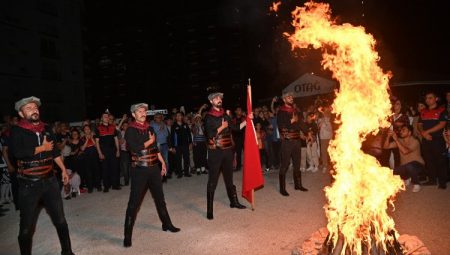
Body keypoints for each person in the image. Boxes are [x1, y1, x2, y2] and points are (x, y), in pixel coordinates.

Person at [10, 96, 74, 255]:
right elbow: (17, 153)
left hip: (50, 181)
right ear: (21, 113)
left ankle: (67, 252)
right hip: (28, 184)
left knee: (60, 220)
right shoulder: (17, 130)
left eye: (35, 107)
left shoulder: (47, 128)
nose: (33, 110)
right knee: (26, 228)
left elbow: (55, 152)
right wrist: (41, 148)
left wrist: (64, 170)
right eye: (28, 108)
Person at [123, 103, 180, 248]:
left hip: (154, 168)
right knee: (134, 203)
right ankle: (127, 236)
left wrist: (163, 163)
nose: (143, 113)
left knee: (160, 199)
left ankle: (167, 224)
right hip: (139, 170)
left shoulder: (149, 127)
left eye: (144, 111)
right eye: (139, 111)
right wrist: (150, 141)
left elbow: (155, 148)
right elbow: (134, 148)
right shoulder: (130, 130)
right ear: (133, 115)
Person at [204, 92, 247, 220]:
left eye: (220, 98)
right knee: (212, 181)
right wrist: (221, 127)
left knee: (229, 179)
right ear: (211, 101)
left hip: (228, 151)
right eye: (216, 98)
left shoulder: (225, 115)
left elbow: (236, 128)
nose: (219, 100)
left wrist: (247, 120)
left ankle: (233, 202)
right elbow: (209, 134)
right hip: (215, 152)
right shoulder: (208, 117)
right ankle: (209, 210)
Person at [277, 92, 308, 196]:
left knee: (297, 164)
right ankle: (282, 189)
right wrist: (291, 120)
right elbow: (281, 125)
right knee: (285, 165)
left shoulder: (295, 111)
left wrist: (307, 133)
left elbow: (301, 124)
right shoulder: (281, 111)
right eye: (289, 97)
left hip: (297, 141)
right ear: (284, 99)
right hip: (287, 141)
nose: (291, 98)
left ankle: (298, 185)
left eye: (292, 97)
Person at [418, 92, 448, 189]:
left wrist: (427, 132)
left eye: (430, 98)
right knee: (429, 160)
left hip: (438, 140)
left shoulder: (442, 110)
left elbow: (442, 124)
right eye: (426, 98)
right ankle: (432, 180)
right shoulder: (423, 111)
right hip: (426, 140)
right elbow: (419, 124)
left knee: (440, 161)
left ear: (436, 99)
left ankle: (442, 182)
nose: (427, 100)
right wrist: (423, 133)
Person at [383, 125, 425, 192]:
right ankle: (407, 177)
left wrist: (396, 140)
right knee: (392, 172)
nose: (401, 132)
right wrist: (388, 136)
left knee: (410, 166)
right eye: (401, 130)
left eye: (403, 130)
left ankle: (417, 184)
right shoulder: (400, 140)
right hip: (405, 166)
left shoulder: (415, 141)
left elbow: (405, 151)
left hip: (418, 165)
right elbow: (386, 147)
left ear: (409, 133)